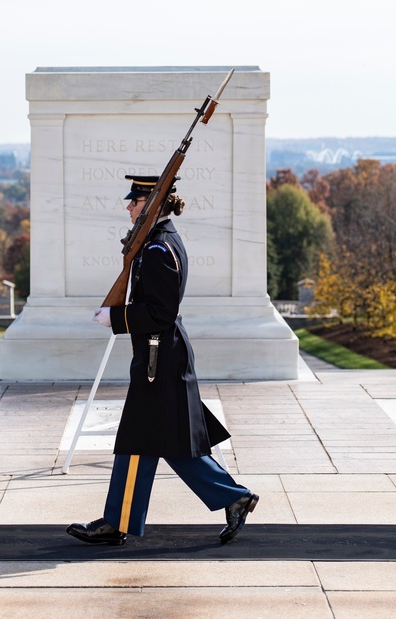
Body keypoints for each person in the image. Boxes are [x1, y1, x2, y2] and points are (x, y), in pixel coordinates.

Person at [66, 174, 259, 546]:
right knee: (160, 441)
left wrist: (117, 318)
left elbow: (161, 313)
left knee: (142, 439)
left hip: (160, 357)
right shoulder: (156, 244)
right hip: (159, 353)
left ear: (151, 206)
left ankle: (117, 521)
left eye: (134, 202)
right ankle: (232, 498)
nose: (128, 207)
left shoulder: (158, 250)